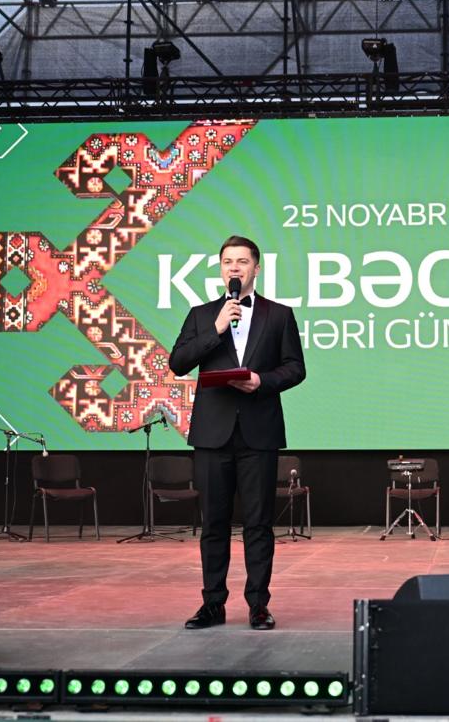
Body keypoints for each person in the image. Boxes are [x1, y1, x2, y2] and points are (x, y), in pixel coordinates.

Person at [169, 235, 305, 630]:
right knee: (213, 523)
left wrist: (262, 380)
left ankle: (258, 605)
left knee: (258, 524)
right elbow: (178, 362)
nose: (234, 268)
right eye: (228, 261)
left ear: (256, 268)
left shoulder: (279, 315)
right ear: (220, 268)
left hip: (259, 433)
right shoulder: (201, 315)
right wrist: (214, 329)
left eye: (242, 261)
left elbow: (295, 368)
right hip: (212, 434)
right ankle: (212, 604)